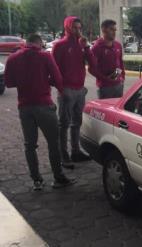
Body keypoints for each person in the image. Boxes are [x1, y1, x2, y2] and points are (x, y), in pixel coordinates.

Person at [4, 34, 76, 190]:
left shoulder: (12, 58)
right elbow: (58, 79)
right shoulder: (45, 56)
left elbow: (8, 83)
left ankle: (37, 180)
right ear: (39, 43)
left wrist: (25, 81)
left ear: (26, 43)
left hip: (24, 107)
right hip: (44, 105)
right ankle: (58, 178)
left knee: (30, 145)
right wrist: (53, 85)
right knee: (53, 143)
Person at [52, 16, 93, 165]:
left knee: (77, 122)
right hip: (66, 90)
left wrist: (87, 47)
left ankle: (75, 151)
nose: (78, 30)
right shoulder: (60, 45)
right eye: (75, 27)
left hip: (80, 90)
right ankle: (64, 156)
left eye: (79, 28)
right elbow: (53, 70)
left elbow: (93, 63)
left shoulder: (81, 45)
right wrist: (61, 89)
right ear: (67, 27)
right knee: (64, 124)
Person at [90, 19, 125, 99]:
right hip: (105, 88)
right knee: (106, 110)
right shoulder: (97, 47)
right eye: (111, 29)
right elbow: (91, 69)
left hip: (119, 85)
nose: (114, 32)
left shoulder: (118, 45)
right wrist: (105, 79)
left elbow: (120, 63)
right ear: (104, 30)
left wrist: (122, 77)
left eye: (115, 30)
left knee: (116, 110)